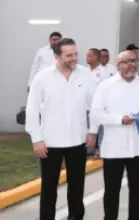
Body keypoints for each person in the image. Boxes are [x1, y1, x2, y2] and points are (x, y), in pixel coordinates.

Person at [25, 38, 97, 220]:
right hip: (50, 143)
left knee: (77, 186)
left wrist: (93, 130)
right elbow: (32, 110)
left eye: (76, 54)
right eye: (69, 55)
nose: (74, 58)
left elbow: (95, 106)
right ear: (57, 56)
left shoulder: (86, 75)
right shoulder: (42, 78)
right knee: (49, 188)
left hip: (78, 141)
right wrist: (36, 139)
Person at [90, 49, 139, 220]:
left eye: (135, 61)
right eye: (127, 62)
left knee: (137, 189)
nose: (132, 65)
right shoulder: (106, 86)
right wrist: (120, 119)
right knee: (112, 190)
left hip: (138, 147)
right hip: (114, 148)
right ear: (118, 65)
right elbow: (96, 114)